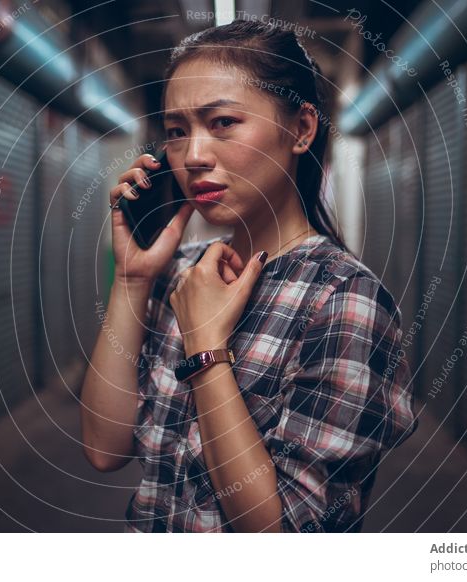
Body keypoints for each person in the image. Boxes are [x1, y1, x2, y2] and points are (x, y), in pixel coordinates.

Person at [79, 19, 418, 533]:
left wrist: (206, 347)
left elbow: (284, 537)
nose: (193, 155)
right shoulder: (180, 274)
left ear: (300, 129)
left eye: (222, 123)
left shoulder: (343, 300)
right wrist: (131, 280)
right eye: (176, 131)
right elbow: (104, 448)